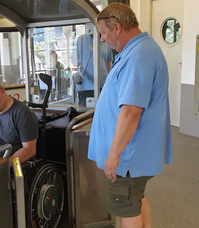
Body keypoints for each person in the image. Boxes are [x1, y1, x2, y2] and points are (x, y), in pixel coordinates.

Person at [88, 3, 173, 228]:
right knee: (135, 199)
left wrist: (114, 155)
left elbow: (131, 112)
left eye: (103, 33)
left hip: (127, 157)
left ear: (117, 27)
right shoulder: (140, 49)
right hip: (132, 155)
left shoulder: (139, 56)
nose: (102, 40)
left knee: (126, 206)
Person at [0, 76, 38, 167]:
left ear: (2, 91)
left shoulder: (23, 113)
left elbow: (29, 150)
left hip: (14, 165)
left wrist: (2, 165)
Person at [75, 33, 113, 107]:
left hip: (102, 86)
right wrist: (76, 73)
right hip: (85, 86)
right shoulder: (82, 39)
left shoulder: (106, 41)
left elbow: (108, 62)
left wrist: (110, 82)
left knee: (102, 112)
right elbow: (76, 60)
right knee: (84, 115)